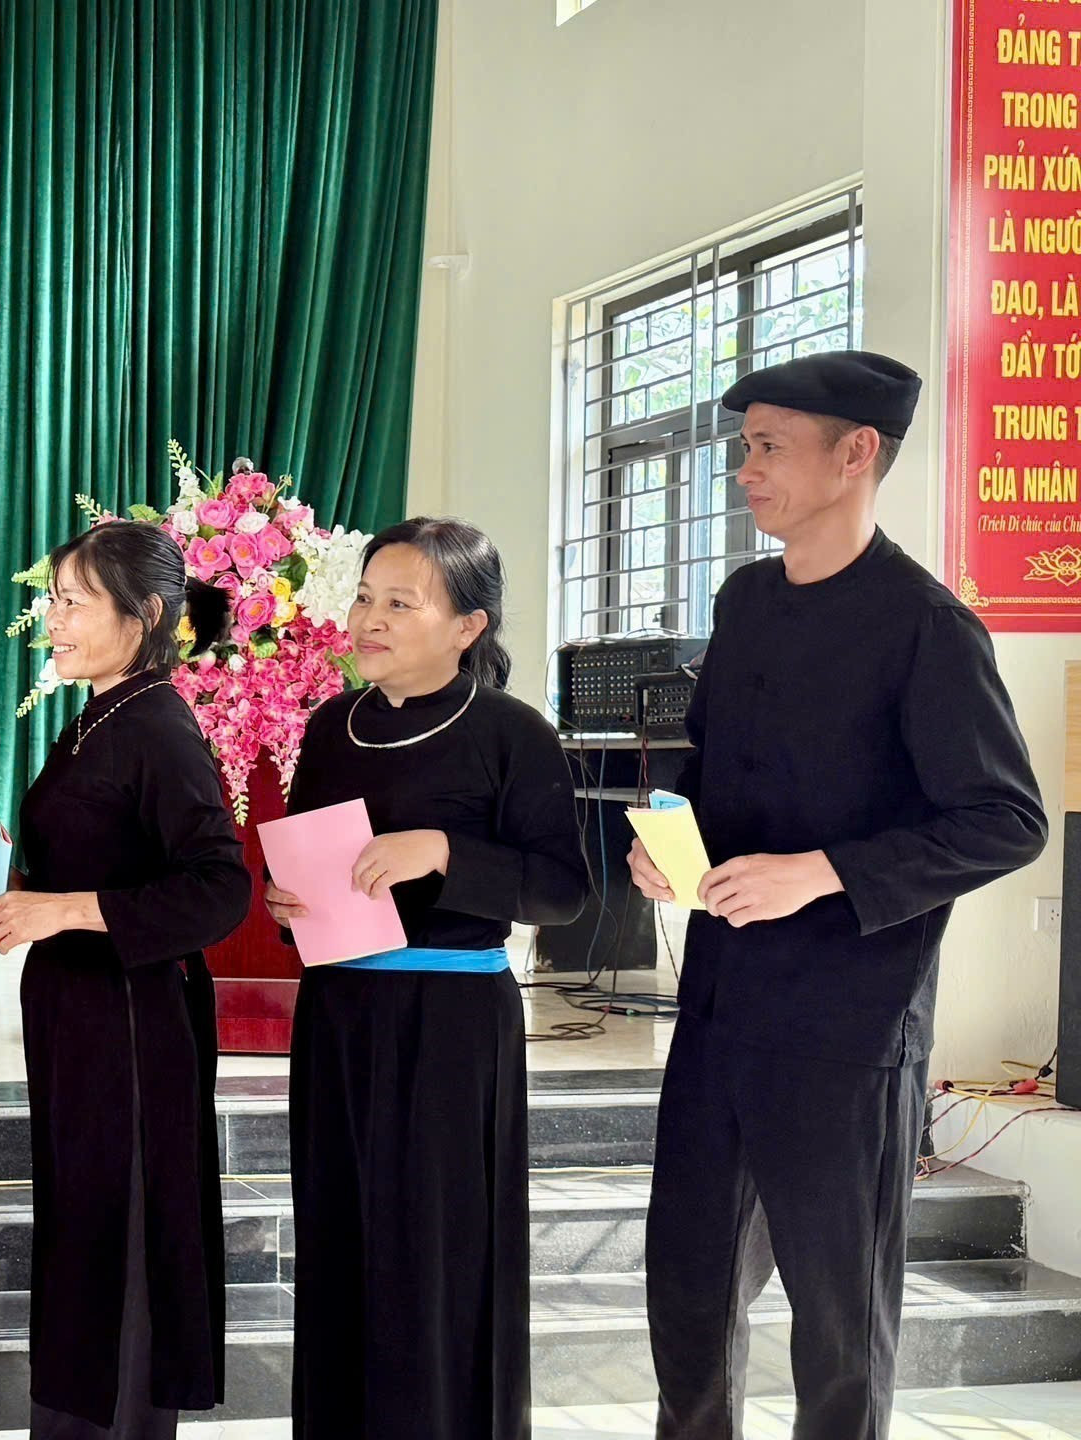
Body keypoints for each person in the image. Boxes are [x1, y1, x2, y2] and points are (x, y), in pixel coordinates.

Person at [628, 351, 1047, 1440]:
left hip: (847, 1029)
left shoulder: (926, 626)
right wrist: (670, 846)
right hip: (719, 1007)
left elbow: (1006, 819)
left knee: (838, 1319)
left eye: (767, 447)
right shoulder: (745, 600)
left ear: (856, 452)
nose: (744, 471)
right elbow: (710, 763)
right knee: (687, 1289)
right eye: (744, 447)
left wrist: (821, 871)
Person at [268, 517, 587, 1440]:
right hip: (338, 1015)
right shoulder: (330, 727)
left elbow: (563, 891)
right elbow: (310, 868)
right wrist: (288, 905)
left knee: (440, 1250)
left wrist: (445, 850)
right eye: (365, 597)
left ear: (467, 627)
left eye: (400, 604)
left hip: (451, 1024)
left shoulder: (512, 733)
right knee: (340, 1234)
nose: (369, 620)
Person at [0, 520, 250, 1440]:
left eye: (73, 603)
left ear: (144, 619)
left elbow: (218, 888)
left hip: (134, 1029)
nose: (50, 619)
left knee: (122, 1249)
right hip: (80, 1021)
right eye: (51, 600)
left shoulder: (160, 728)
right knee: (83, 1238)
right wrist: (24, 890)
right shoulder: (99, 716)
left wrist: (63, 910)